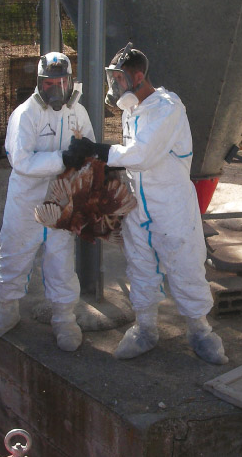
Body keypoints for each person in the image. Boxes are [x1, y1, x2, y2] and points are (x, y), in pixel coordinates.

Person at [68, 42, 227, 365]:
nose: (116, 87)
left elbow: (141, 156)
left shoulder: (167, 108)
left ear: (139, 76)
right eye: (113, 79)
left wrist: (96, 150)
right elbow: (133, 160)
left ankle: (200, 331)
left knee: (184, 265)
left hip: (171, 204)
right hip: (140, 203)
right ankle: (145, 329)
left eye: (120, 79)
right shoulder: (133, 109)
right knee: (140, 265)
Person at [0, 51, 95, 351]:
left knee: (61, 260)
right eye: (49, 84)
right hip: (27, 201)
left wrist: (84, 166)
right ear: (39, 83)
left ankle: (64, 318)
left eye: (62, 82)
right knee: (15, 252)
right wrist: (62, 158)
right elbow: (21, 161)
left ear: (71, 81)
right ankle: (7, 309)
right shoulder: (26, 115)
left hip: (62, 201)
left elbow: (88, 147)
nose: (56, 89)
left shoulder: (78, 113)